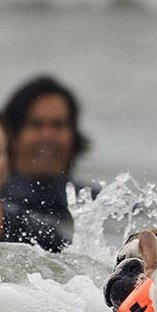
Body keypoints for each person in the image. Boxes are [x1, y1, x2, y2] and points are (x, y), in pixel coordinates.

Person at [0, 76, 92, 252]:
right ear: (11, 136)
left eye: (58, 125)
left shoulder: (94, 202)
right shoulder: (5, 207)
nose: (48, 137)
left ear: (73, 135)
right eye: (36, 124)